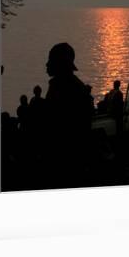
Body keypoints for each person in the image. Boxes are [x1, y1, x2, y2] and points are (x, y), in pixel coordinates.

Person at [44, 42, 93, 185]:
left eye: (50, 61)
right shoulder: (74, 87)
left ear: (59, 64)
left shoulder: (64, 89)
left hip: (66, 160)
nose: (46, 65)